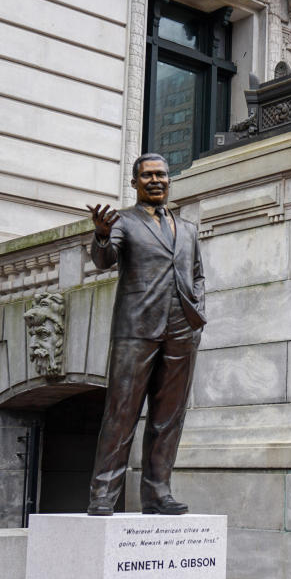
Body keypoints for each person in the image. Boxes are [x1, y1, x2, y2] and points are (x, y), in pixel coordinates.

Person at [85, 153, 206, 516]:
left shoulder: (187, 229)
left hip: (181, 329)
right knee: (121, 413)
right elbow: (105, 260)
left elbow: (197, 274)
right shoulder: (123, 221)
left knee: (169, 417)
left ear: (170, 180)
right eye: (148, 175)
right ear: (135, 182)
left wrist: (198, 308)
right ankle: (103, 493)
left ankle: (157, 493)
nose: (157, 181)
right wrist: (102, 237)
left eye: (162, 175)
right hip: (135, 329)